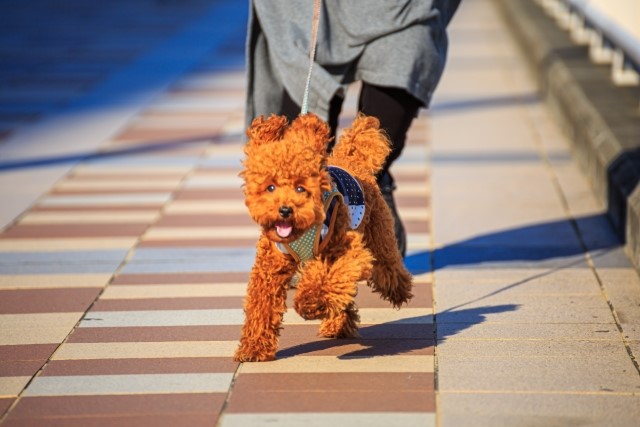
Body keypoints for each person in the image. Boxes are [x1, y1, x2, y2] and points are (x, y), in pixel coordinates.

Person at [245, 0, 461, 257]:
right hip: (307, 9)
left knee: (382, 123)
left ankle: (369, 185)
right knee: (298, 149)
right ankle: (304, 241)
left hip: (404, 8)